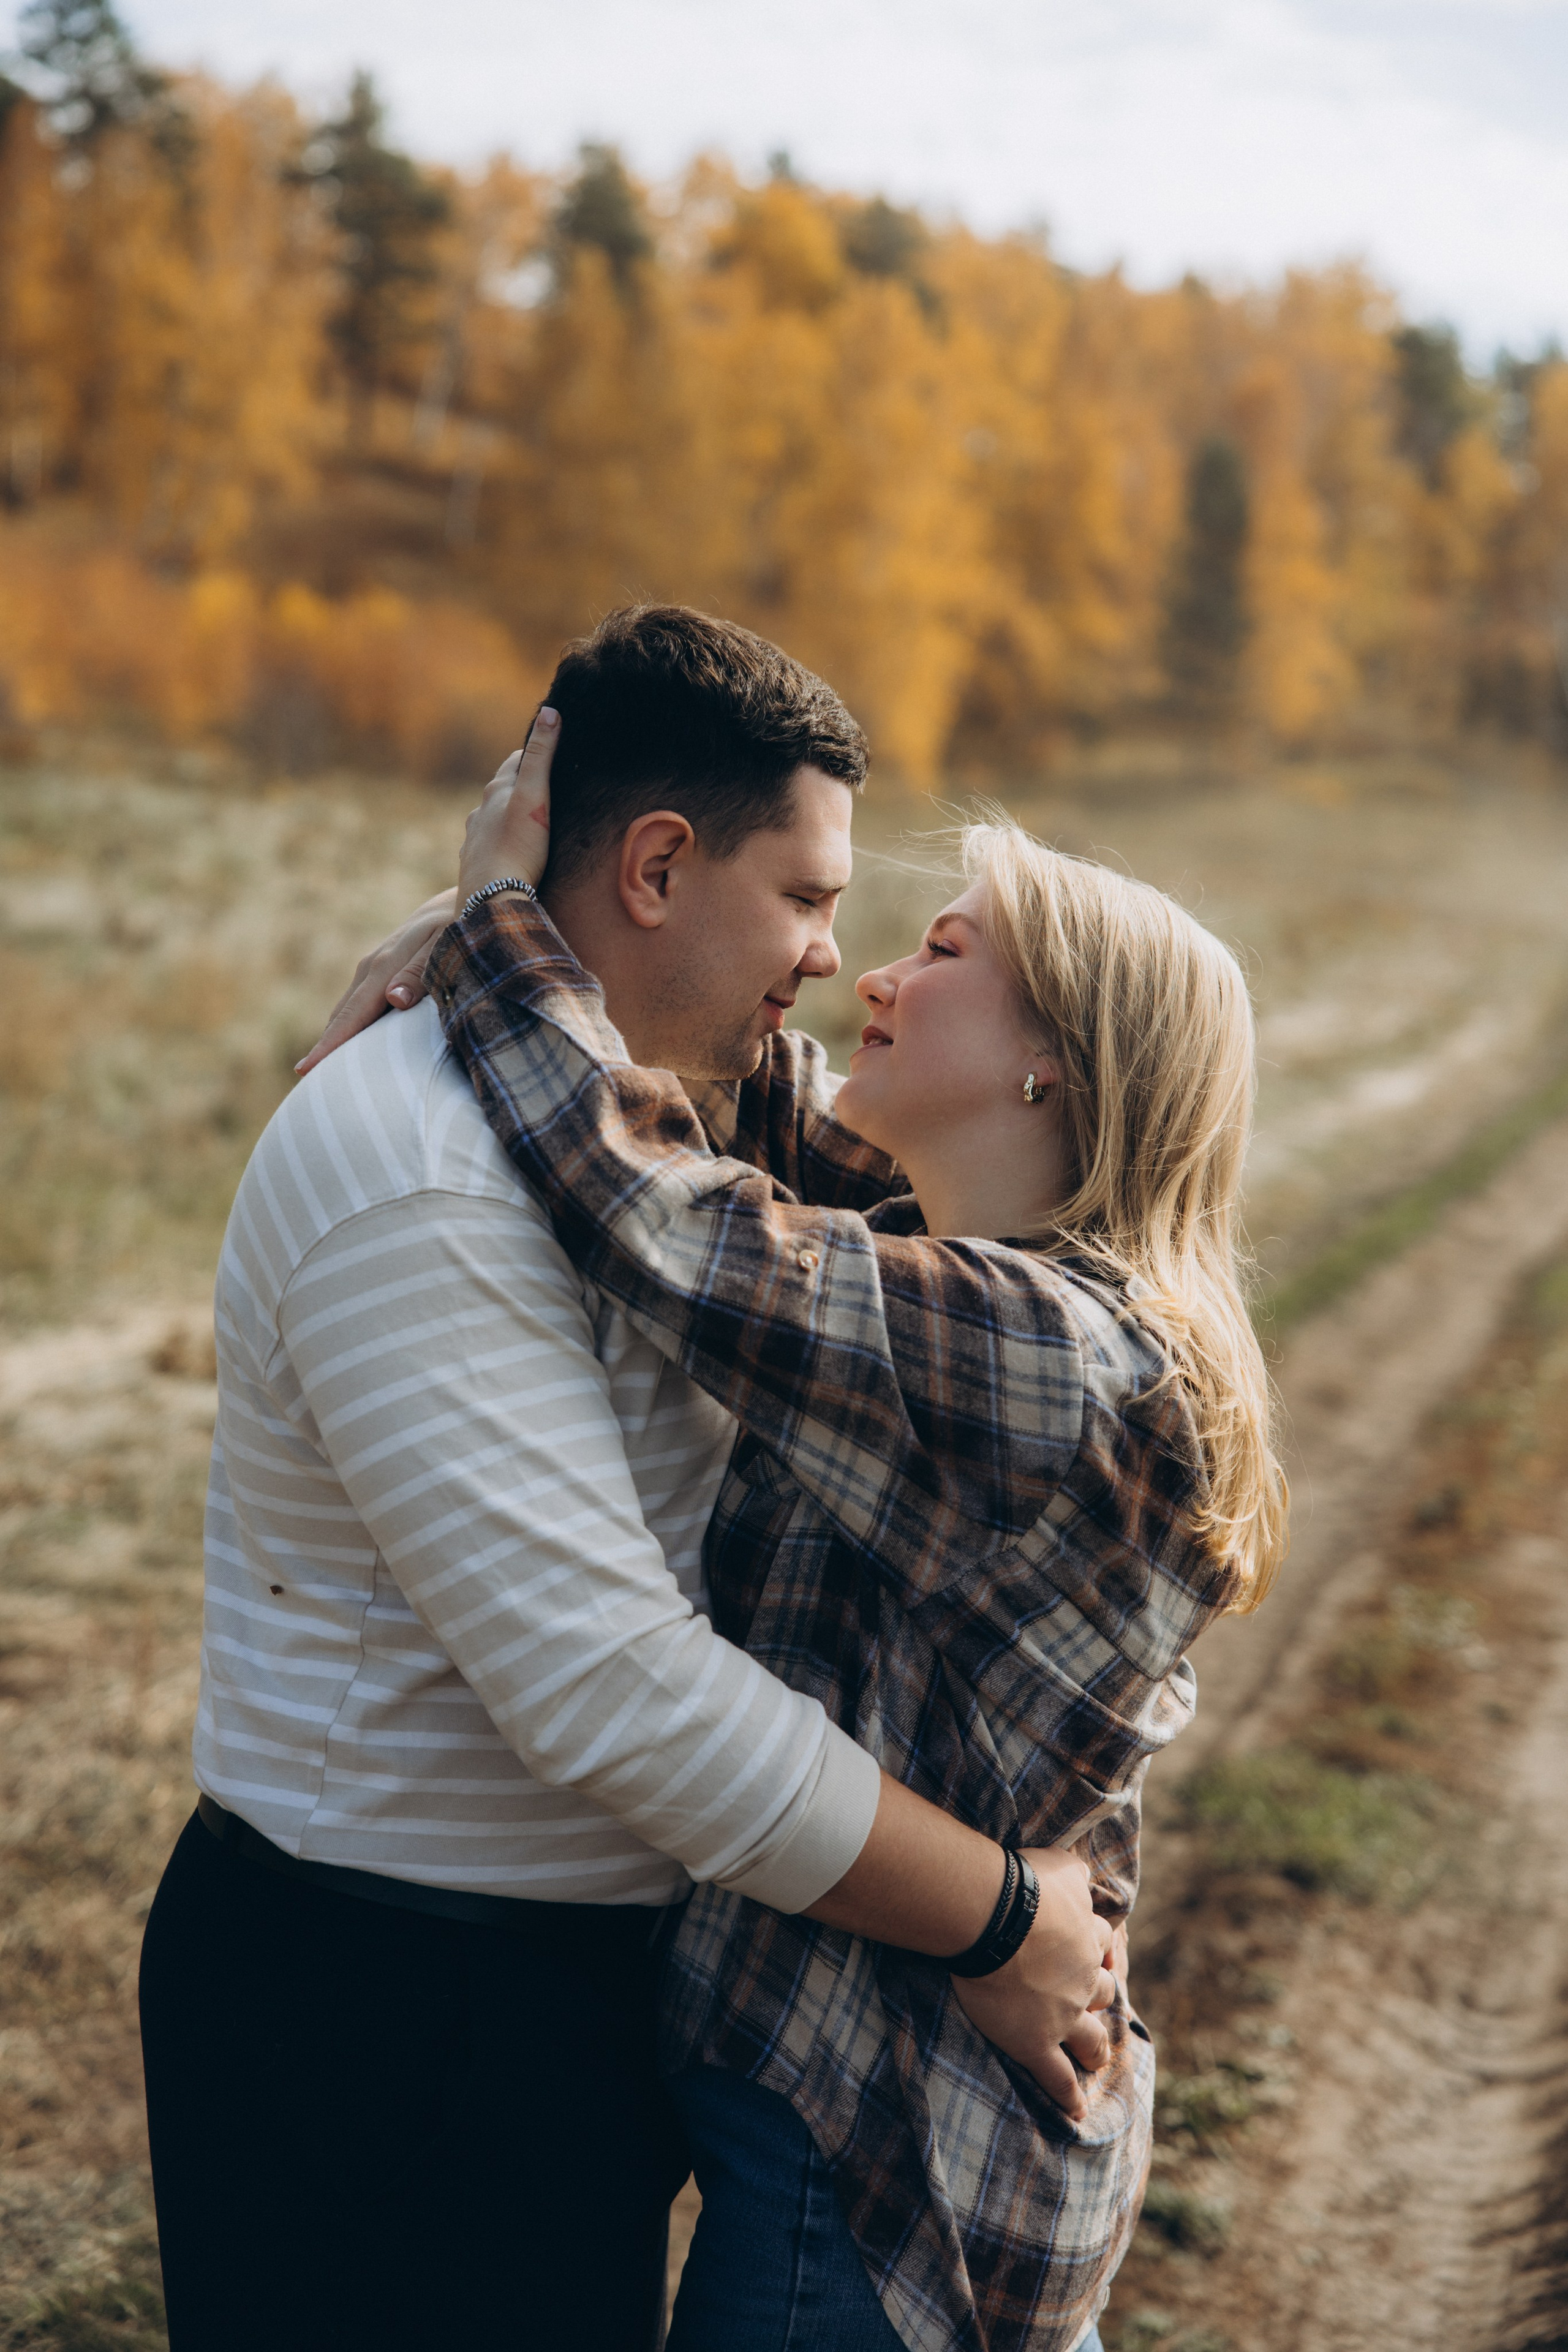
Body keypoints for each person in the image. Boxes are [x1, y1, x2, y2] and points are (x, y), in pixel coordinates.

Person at [138, 608, 1121, 2352]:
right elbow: (612, 1689)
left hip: (558, 2001)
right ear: (658, 867)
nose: (831, 955)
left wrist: (475, 926)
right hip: (386, 2010)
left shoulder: (672, 1118)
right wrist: (996, 1915)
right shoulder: (423, 1161)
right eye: (807, 897)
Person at [348, 682, 1287, 2352]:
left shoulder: (1044, 1357)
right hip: (908, 2151)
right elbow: (732, 1090)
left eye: (941, 952)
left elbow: (663, 1212)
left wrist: (498, 918)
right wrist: (479, 932)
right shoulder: (998, 1276)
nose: (875, 978)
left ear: (1052, 1063)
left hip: (888, 2191)